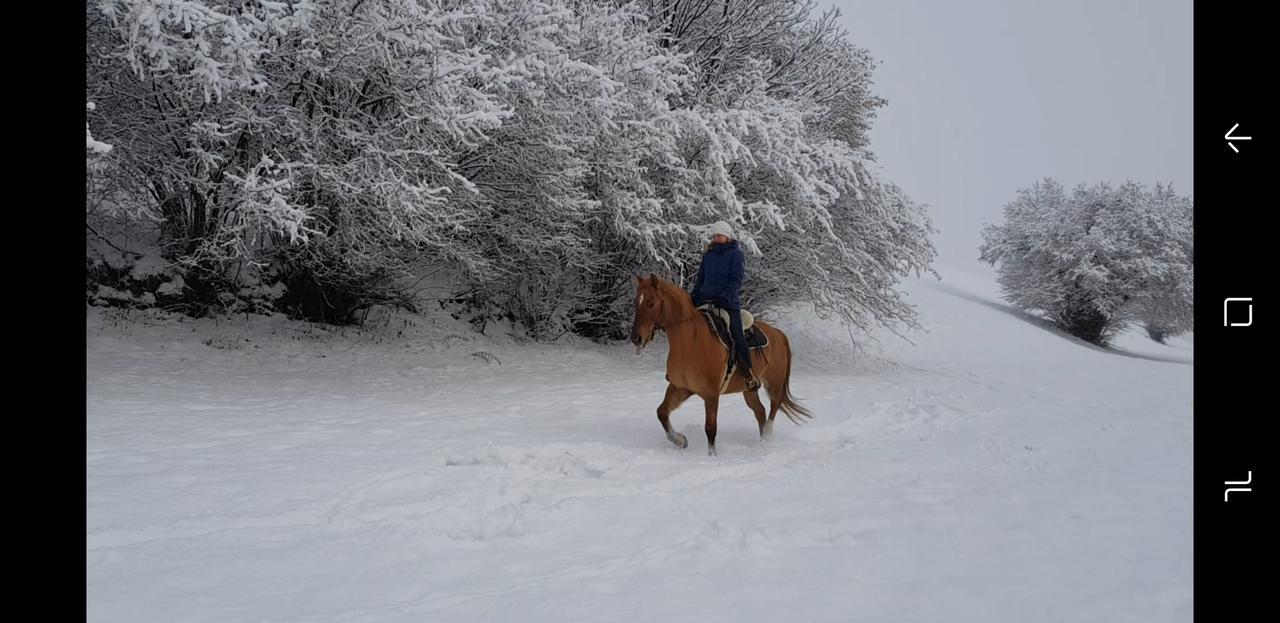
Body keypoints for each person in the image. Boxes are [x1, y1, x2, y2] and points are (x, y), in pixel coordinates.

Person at [691, 220, 760, 390]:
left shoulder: (735, 254)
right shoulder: (709, 255)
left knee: (737, 335)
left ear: (727, 236)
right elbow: (701, 278)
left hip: (728, 303)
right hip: (706, 301)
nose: (716, 238)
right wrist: (695, 295)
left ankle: (748, 374)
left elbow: (736, 279)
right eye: (714, 235)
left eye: (719, 235)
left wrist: (726, 295)